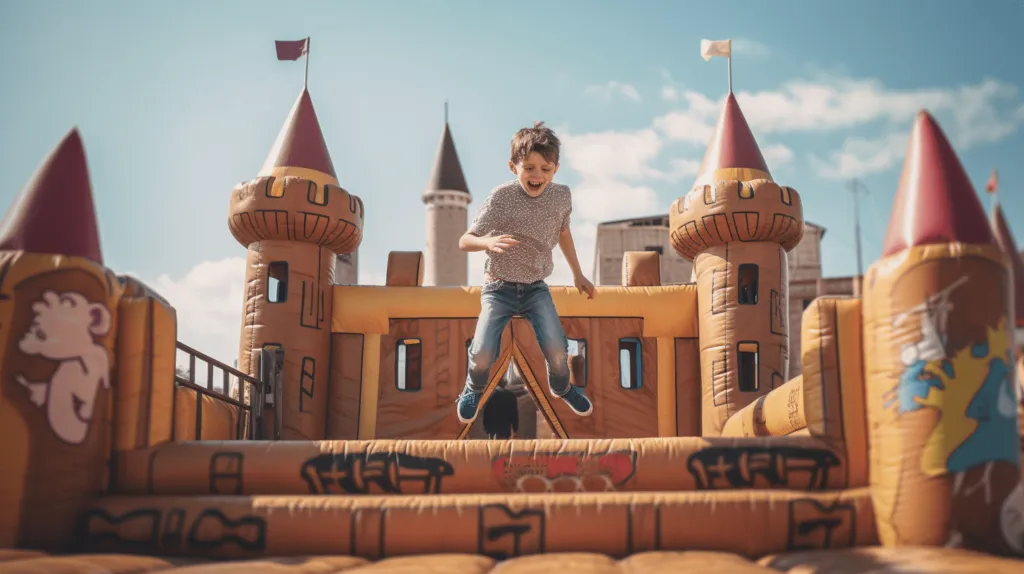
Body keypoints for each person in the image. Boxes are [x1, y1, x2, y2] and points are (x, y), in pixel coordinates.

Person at [455, 121, 596, 424]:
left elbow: (564, 232)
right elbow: (464, 240)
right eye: (529, 168)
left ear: (556, 169)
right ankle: (473, 387)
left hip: (535, 288)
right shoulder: (502, 198)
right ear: (513, 166)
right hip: (499, 288)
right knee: (482, 353)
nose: (537, 176)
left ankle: (562, 387)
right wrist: (487, 242)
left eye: (545, 169)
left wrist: (578, 273)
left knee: (558, 350)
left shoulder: (561, 196)